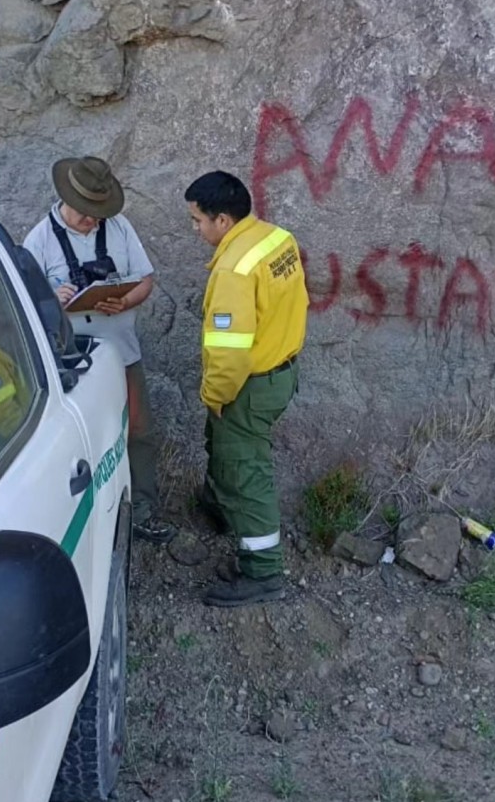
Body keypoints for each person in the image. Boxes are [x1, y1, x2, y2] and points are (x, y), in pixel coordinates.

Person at [24, 155, 173, 544]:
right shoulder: (39, 239)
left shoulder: (120, 229)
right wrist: (51, 298)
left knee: (139, 431)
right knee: (78, 442)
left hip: (122, 350)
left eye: (98, 213)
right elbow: (24, 302)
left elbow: (145, 279)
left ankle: (142, 509)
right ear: (66, 199)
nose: (93, 220)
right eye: (86, 213)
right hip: (70, 360)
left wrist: (125, 301)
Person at [185, 170, 308, 606]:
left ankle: (262, 572)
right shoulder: (276, 239)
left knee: (246, 474)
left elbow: (229, 353)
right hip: (280, 370)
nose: (195, 229)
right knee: (226, 452)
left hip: (247, 387)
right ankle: (220, 509)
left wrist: (215, 396)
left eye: (197, 220)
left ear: (222, 220)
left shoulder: (235, 271)